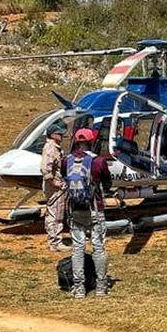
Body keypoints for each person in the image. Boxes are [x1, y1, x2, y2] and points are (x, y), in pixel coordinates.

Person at [63, 128, 112, 298]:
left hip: (75, 211)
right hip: (95, 210)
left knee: (78, 248)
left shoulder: (66, 161)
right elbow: (107, 182)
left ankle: (79, 288)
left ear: (76, 142)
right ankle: (101, 285)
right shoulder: (98, 161)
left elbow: (64, 178)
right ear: (92, 142)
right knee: (98, 247)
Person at [41, 120, 70, 252]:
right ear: (53, 135)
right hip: (55, 187)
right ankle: (55, 242)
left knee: (54, 212)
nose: (62, 136)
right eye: (60, 134)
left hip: (55, 185)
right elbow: (46, 168)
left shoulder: (54, 147)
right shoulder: (51, 148)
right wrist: (53, 182)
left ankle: (54, 240)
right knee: (56, 214)